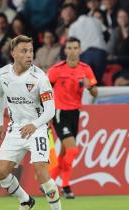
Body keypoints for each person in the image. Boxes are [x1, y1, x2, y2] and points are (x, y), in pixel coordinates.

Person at [0, 35, 66, 210]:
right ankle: (25, 200)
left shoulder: (40, 78)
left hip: (37, 128)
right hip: (16, 128)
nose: (29, 55)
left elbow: (50, 109)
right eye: (24, 51)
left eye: (31, 51)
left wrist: (35, 125)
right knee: (0, 171)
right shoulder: (2, 75)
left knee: (41, 170)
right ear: (13, 53)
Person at [47, 37, 98, 199]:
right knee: (73, 149)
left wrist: (90, 88)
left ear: (80, 50)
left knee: (64, 153)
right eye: (70, 48)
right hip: (60, 112)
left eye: (76, 47)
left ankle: (50, 181)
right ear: (65, 50)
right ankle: (66, 185)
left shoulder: (86, 69)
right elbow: (44, 92)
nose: (73, 51)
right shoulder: (56, 70)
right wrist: (46, 113)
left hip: (75, 113)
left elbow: (95, 92)